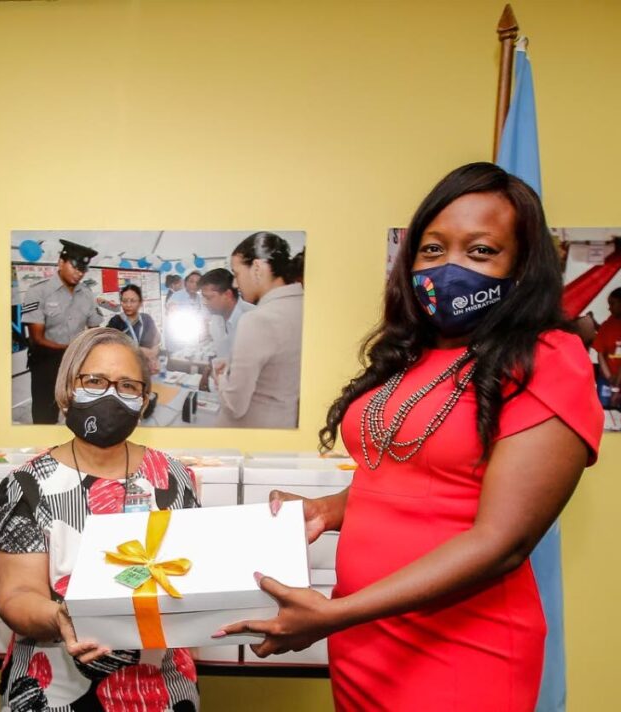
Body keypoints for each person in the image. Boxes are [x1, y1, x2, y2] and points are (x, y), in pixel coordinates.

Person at [218, 163, 603, 711]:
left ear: (522, 265)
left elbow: (502, 543)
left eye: (480, 251)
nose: (449, 268)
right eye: (432, 249)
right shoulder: (408, 355)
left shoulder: (546, 358)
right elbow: (409, 478)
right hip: (365, 636)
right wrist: (328, 509)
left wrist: (333, 615)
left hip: (461, 646)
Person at [0, 327, 200, 710]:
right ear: (69, 387)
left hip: (160, 689)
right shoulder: (26, 483)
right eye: (94, 381)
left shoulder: (174, 477)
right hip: (50, 687)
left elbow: (192, 577)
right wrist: (61, 617)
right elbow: (15, 595)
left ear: (144, 398)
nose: (110, 395)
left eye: (127, 386)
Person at [212, 233, 303, 428]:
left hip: (249, 432)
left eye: (236, 274)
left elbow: (235, 406)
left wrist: (220, 376)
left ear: (257, 268)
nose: (236, 284)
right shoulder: (303, 306)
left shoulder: (256, 320)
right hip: (284, 423)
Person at [22, 240, 101, 424]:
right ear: (61, 262)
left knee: (79, 413)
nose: (79, 272)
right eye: (75, 266)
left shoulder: (87, 294)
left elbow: (94, 328)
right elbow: (37, 338)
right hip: (46, 363)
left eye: (83, 269)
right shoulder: (38, 292)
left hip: (78, 364)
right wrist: (73, 349)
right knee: (44, 415)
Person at [198, 268, 253, 360]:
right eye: (203, 297)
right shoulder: (215, 321)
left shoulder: (253, 318)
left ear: (228, 295)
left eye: (209, 298)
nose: (205, 302)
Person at [106, 284, 161, 372]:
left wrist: (154, 358)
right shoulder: (115, 322)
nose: (128, 305)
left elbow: (156, 342)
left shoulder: (147, 319)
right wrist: (139, 350)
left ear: (140, 303)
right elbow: (110, 348)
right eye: (124, 301)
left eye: (132, 301)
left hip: (146, 370)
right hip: (123, 369)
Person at [592, 287, 621, 408]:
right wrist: (609, 377)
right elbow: (600, 354)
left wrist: (617, 385)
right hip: (606, 379)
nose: (609, 308)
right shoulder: (607, 325)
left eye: (612, 303)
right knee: (603, 408)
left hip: (619, 379)